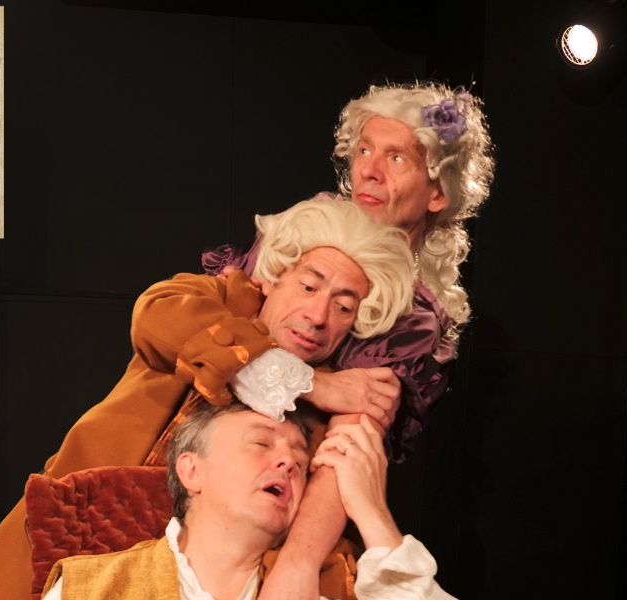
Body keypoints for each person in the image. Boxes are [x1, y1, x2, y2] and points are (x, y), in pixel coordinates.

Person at [0, 198, 418, 600]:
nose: (318, 315)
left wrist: (298, 565)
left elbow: (340, 478)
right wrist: (311, 384)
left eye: (343, 307)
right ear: (274, 276)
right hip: (74, 528)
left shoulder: (345, 397)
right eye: (309, 286)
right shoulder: (221, 298)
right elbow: (155, 317)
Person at [201, 80, 496, 599]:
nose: (369, 171)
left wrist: (296, 565)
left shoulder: (413, 316)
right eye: (364, 151)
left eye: (396, 158)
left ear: (437, 193)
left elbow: (352, 439)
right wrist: (315, 383)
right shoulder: (306, 229)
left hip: (283, 498)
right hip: (199, 452)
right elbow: (212, 321)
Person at [41, 400, 456, 599]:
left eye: (301, 461)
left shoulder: (331, 590)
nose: (288, 462)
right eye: (261, 443)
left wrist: (373, 513)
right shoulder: (87, 590)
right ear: (192, 471)